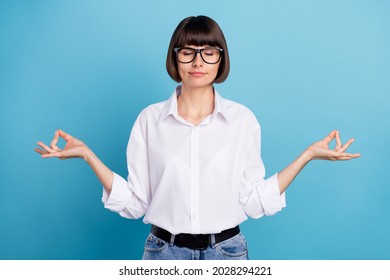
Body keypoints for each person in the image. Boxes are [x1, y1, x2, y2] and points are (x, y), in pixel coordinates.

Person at [34, 15, 360, 260]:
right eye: (188, 52)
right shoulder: (149, 120)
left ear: (221, 58)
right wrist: (89, 156)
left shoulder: (242, 121)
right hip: (163, 255)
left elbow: (253, 200)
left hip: (228, 254)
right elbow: (137, 203)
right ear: (175, 57)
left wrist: (307, 156)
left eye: (209, 52)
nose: (198, 62)